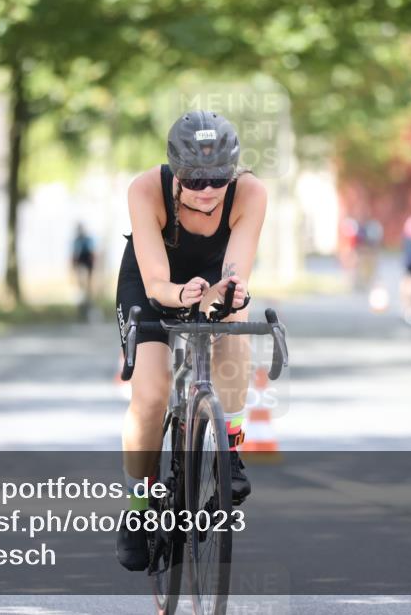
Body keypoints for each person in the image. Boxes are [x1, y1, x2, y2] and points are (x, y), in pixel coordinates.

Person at [114, 110, 267, 571]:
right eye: (194, 180)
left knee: (235, 320)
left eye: (217, 179)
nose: (206, 191)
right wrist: (179, 295)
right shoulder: (145, 189)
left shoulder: (251, 193)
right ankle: (138, 506)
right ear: (175, 171)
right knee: (152, 393)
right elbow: (158, 281)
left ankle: (230, 449)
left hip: (213, 281)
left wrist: (228, 293)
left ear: (233, 171)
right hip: (153, 282)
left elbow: (237, 270)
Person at [70, 223, 96, 317]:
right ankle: (82, 306)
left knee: (87, 287)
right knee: (81, 286)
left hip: (87, 264)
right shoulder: (77, 240)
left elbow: (92, 254)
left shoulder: (87, 240)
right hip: (81, 264)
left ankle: (88, 304)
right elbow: (74, 255)